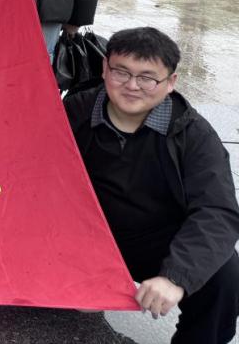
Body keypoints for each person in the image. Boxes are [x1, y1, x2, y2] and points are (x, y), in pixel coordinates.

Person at [63, 27, 239, 344]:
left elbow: (217, 210)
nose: (132, 86)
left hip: (153, 241)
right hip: (82, 233)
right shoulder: (74, 112)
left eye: (147, 78)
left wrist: (174, 277)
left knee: (224, 274)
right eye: (121, 72)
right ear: (104, 68)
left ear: (170, 82)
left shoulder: (193, 135)